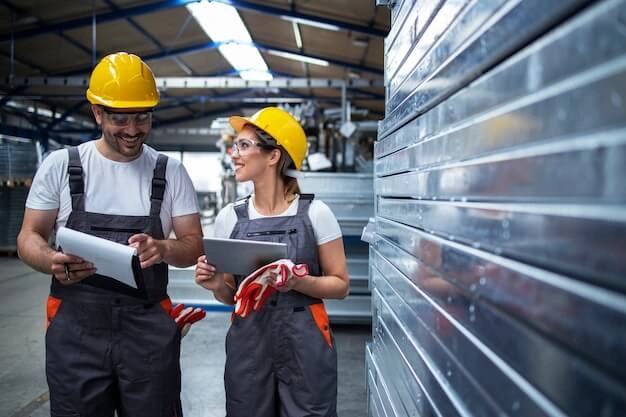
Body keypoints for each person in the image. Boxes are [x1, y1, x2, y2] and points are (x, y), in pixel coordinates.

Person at [16, 52, 203, 417]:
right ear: (97, 113)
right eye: (120, 119)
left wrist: (163, 247)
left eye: (143, 118)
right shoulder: (63, 165)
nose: (133, 130)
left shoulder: (171, 171)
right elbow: (29, 237)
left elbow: (193, 245)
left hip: (147, 328)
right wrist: (50, 259)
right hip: (76, 329)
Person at [195, 106, 349, 417]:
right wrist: (215, 285)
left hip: (303, 340)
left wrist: (299, 282)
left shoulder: (315, 214)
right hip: (248, 340)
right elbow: (230, 294)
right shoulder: (229, 218)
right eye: (235, 145)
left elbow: (341, 285)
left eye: (244, 145)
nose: (234, 153)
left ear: (273, 156)